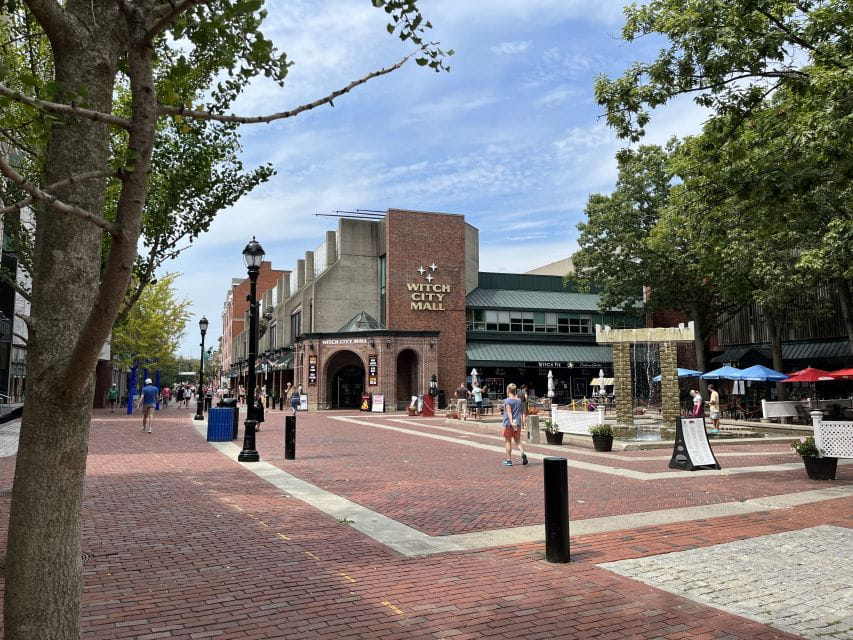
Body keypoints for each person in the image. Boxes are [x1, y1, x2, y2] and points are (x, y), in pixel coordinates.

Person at [502, 383, 528, 466]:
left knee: (508, 441)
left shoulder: (507, 401)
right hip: (518, 423)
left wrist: (511, 421)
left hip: (509, 424)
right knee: (518, 441)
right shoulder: (519, 400)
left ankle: (509, 460)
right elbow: (519, 411)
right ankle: (522, 453)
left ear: (508, 390)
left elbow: (509, 412)